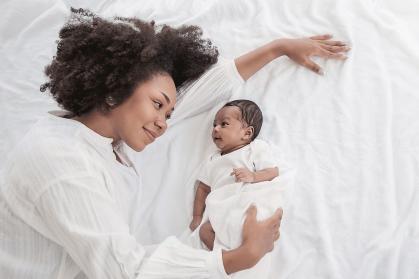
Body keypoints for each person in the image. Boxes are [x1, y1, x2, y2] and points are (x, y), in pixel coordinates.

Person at [0, 7, 349, 279]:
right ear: (114, 90)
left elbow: (197, 95)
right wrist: (240, 257)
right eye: (157, 106)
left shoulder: (102, 131)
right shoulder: (61, 162)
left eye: (167, 114)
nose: (164, 124)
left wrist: (278, 47)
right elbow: (126, 270)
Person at [187, 100, 292, 279]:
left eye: (224, 124)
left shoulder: (255, 149)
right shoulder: (212, 160)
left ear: (247, 133)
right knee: (204, 231)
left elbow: (273, 171)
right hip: (222, 208)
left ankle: (238, 260)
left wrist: (253, 176)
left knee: (247, 228)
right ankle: (227, 260)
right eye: (214, 125)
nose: (216, 129)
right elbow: (203, 189)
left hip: (244, 204)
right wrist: (197, 217)